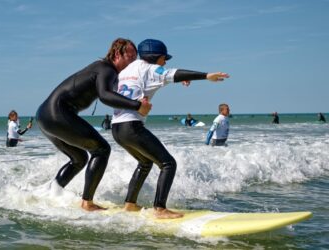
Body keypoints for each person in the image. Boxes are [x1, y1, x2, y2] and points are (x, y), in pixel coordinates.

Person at [111, 39, 229, 219]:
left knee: (145, 163)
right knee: (168, 164)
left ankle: (130, 204)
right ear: (155, 57)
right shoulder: (151, 68)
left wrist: (181, 78)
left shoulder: (129, 69)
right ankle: (160, 208)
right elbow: (172, 73)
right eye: (163, 58)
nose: (165, 62)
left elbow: (155, 80)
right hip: (132, 126)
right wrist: (207, 76)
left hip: (117, 127)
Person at [36, 38, 152, 211]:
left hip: (44, 115)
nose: (134, 60)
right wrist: (137, 106)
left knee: (79, 158)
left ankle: (52, 193)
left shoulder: (102, 69)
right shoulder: (107, 69)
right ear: (117, 53)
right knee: (102, 149)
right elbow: (105, 95)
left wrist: (175, 78)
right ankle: (87, 203)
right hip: (58, 113)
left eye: (136, 57)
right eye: (131, 55)